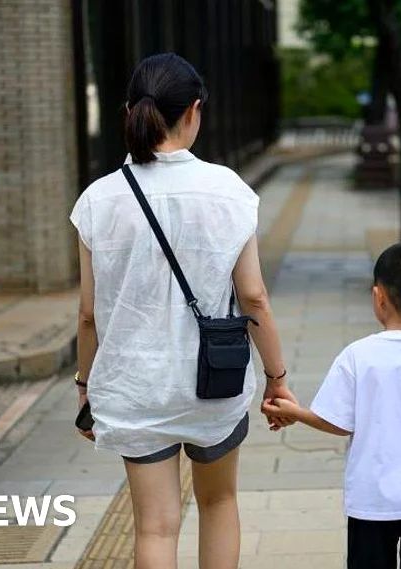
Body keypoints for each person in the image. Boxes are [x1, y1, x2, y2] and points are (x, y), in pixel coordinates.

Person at [69, 53, 297, 569]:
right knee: (219, 504)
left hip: (133, 388)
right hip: (213, 384)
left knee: (154, 527)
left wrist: (86, 386)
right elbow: (254, 297)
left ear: (131, 111)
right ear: (194, 110)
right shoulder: (228, 191)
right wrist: (276, 378)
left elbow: (87, 314)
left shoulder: (99, 200)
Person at [262, 242, 401, 569]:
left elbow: (338, 423)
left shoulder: (357, 355)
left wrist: (295, 414)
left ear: (378, 296)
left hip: (373, 499)